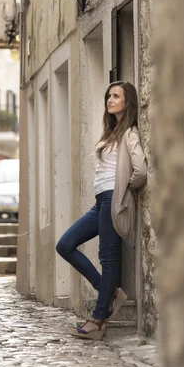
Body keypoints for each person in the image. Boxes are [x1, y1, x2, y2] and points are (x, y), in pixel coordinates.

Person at [56, 81, 147, 341]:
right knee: (65, 244)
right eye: (108, 95)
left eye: (116, 96)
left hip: (112, 198)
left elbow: (140, 170)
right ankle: (107, 292)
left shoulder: (129, 132)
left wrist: (122, 190)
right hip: (100, 202)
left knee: (108, 258)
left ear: (127, 102)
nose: (110, 100)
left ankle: (97, 320)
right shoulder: (111, 132)